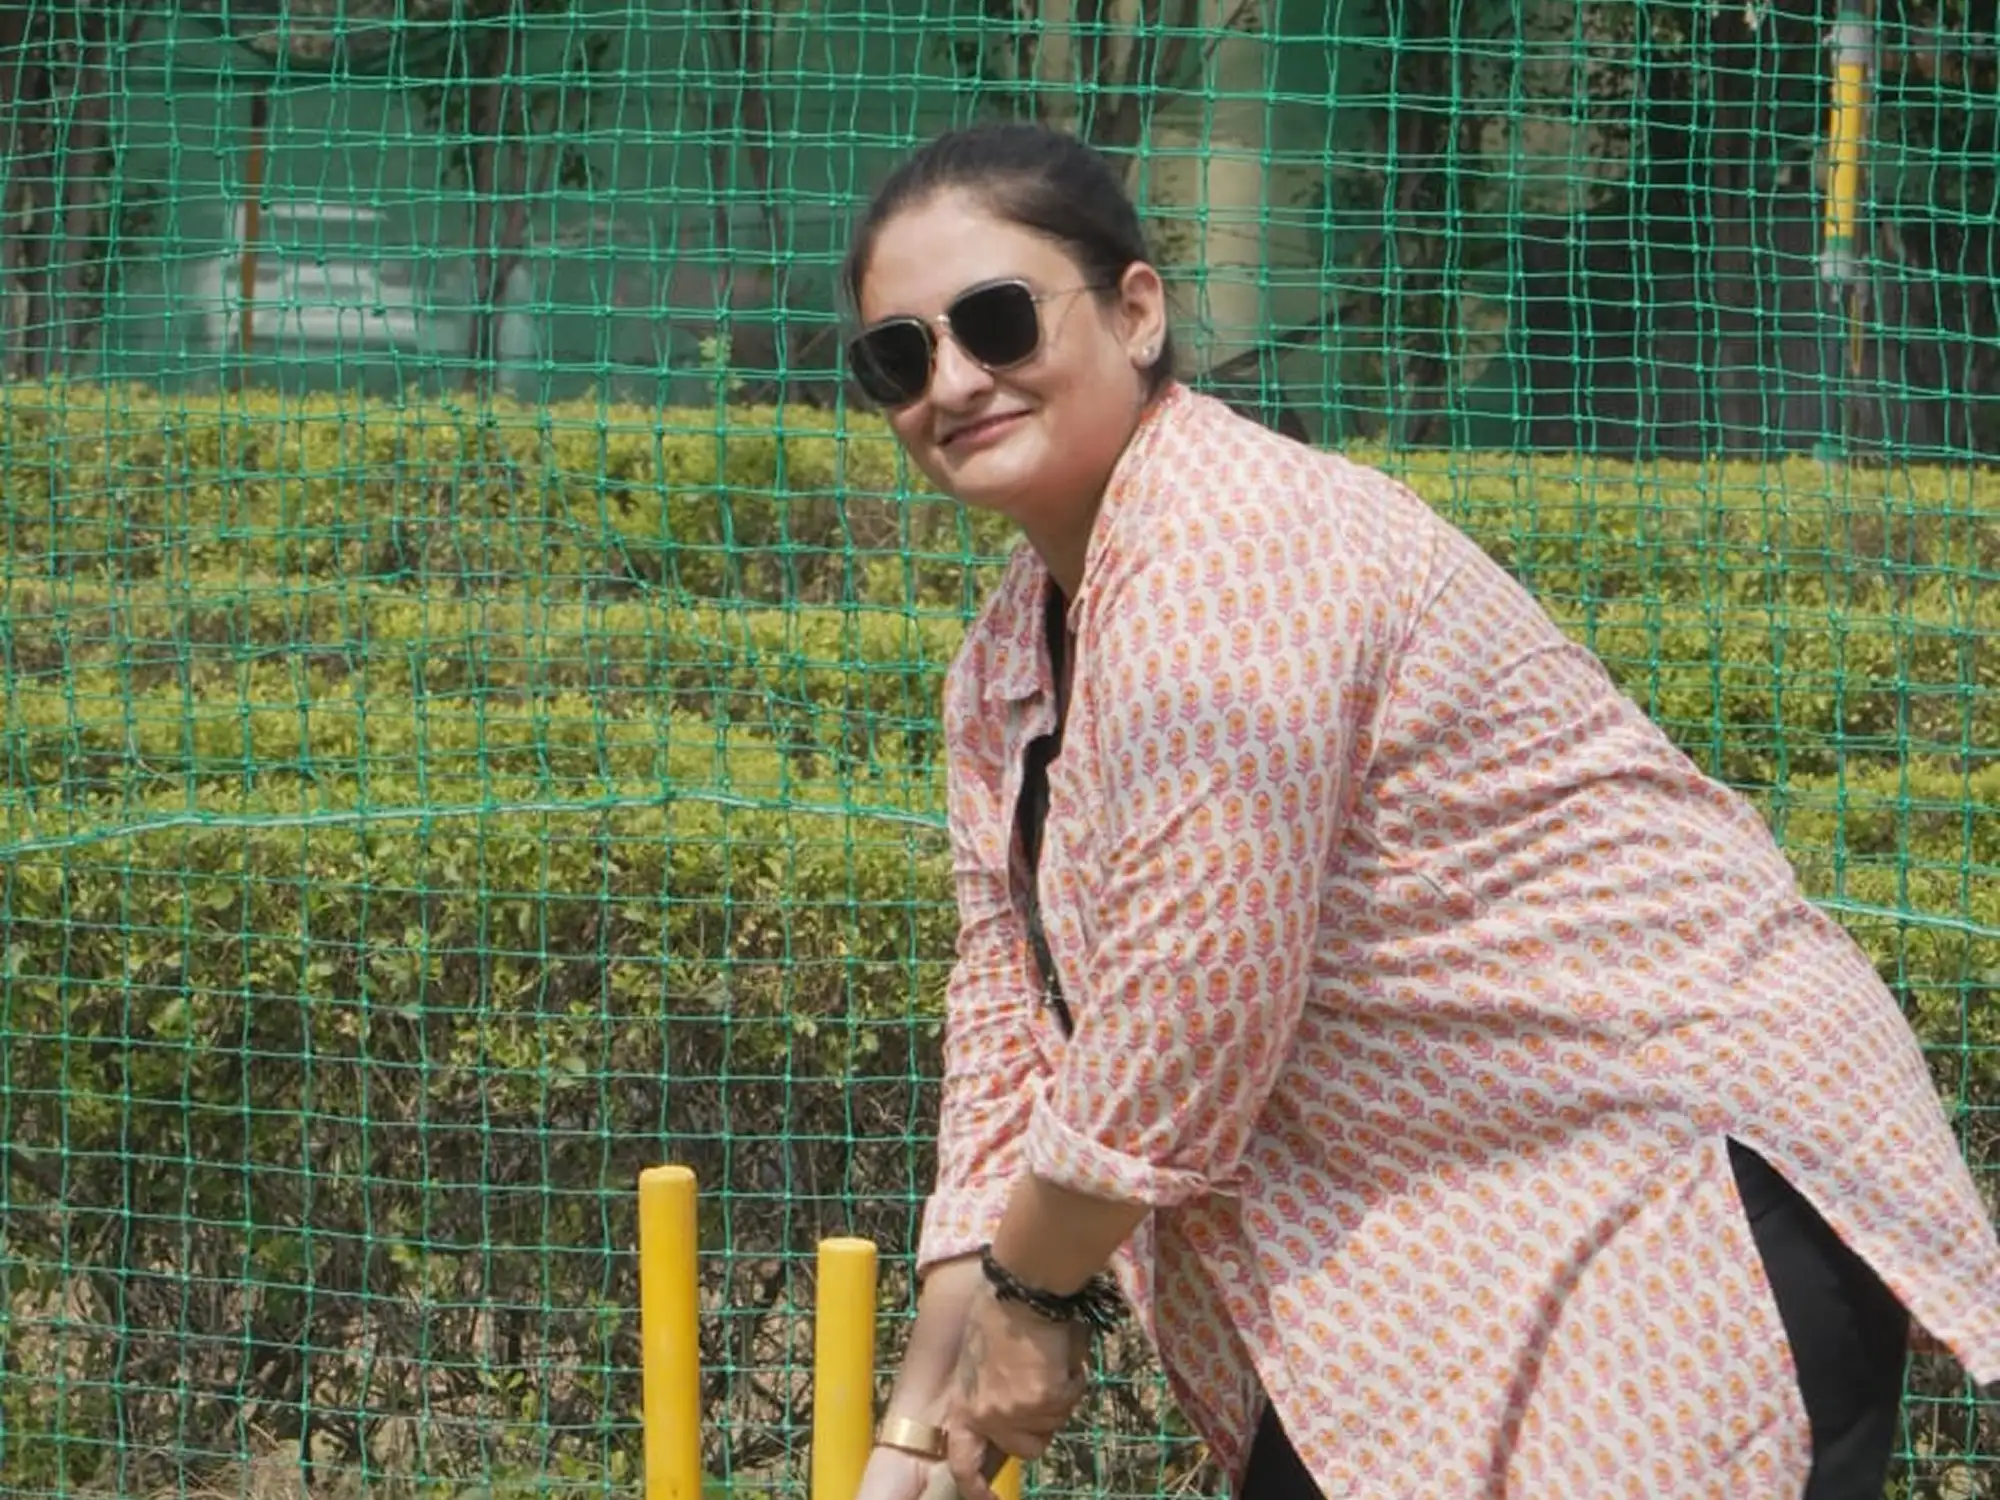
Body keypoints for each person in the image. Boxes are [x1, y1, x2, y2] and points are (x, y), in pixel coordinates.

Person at [834, 120, 2000, 1500]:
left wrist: (1036, 1300)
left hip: (1660, 1185)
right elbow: (1007, 1023)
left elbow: (1190, 999)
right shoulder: (1001, 667)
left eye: (997, 320)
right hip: (1445, 1241)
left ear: (1137, 312)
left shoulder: (1233, 545)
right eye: (898, 356)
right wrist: (915, 1430)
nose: (954, 381)